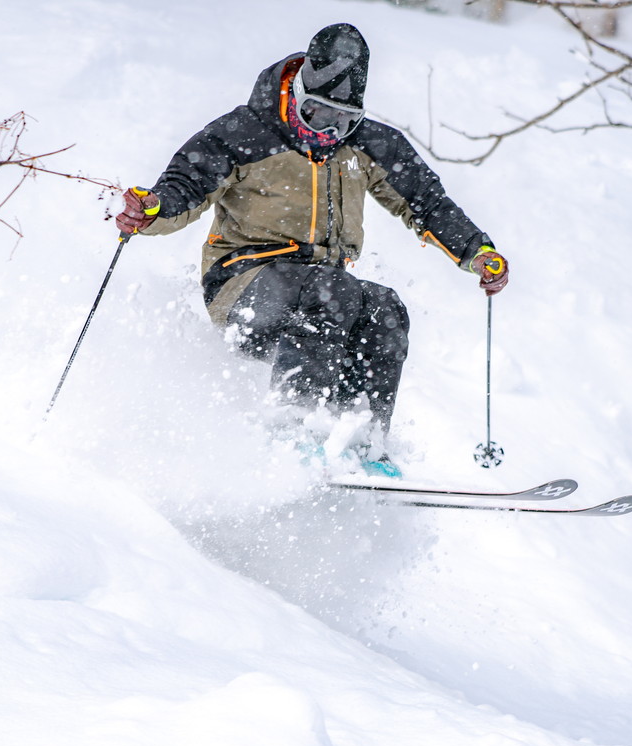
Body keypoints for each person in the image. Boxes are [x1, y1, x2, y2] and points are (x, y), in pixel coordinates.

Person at [116, 23, 509, 477]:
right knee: (331, 290)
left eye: (344, 122)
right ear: (297, 92)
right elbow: (185, 186)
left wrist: (477, 252)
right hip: (243, 284)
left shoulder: (367, 146)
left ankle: (361, 442)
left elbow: (427, 202)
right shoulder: (243, 133)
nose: (329, 131)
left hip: (324, 297)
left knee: (384, 308)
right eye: (318, 115)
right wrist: (152, 209)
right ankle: (293, 430)